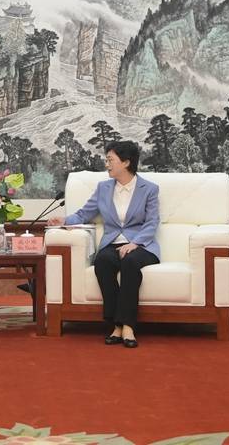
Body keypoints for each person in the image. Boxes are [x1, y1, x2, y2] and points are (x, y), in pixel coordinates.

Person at [48, 140, 159, 348]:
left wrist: (134, 243)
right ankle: (116, 324)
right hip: (112, 243)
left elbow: (152, 222)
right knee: (103, 262)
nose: (106, 164)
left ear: (126, 162)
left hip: (141, 246)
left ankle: (127, 326)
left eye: (110, 160)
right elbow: (85, 214)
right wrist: (64, 220)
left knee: (130, 262)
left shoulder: (149, 189)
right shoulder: (103, 188)